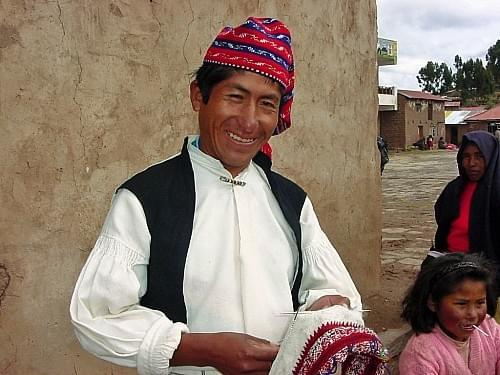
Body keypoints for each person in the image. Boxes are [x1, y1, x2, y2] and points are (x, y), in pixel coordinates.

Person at [70, 17, 362, 375]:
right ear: (199, 96)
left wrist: (324, 312)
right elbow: (96, 315)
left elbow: (332, 290)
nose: (250, 120)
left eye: (267, 104)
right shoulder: (145, 199)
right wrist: (196, 349)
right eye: (235, 98)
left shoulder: (292, 201)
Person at [399, 253, 500, 374]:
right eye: (461, 304)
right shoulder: (421, 354)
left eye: (480, 303)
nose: (473, 314)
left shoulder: (489, 328)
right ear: (433, 303)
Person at [425, 131, 500, 287]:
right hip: (452, 267)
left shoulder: (496, 191)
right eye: (466, 156)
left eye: (479, 156)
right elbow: (443, 223)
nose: (472, 163)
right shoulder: (455, 189)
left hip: (487, 276)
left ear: (491, 157)